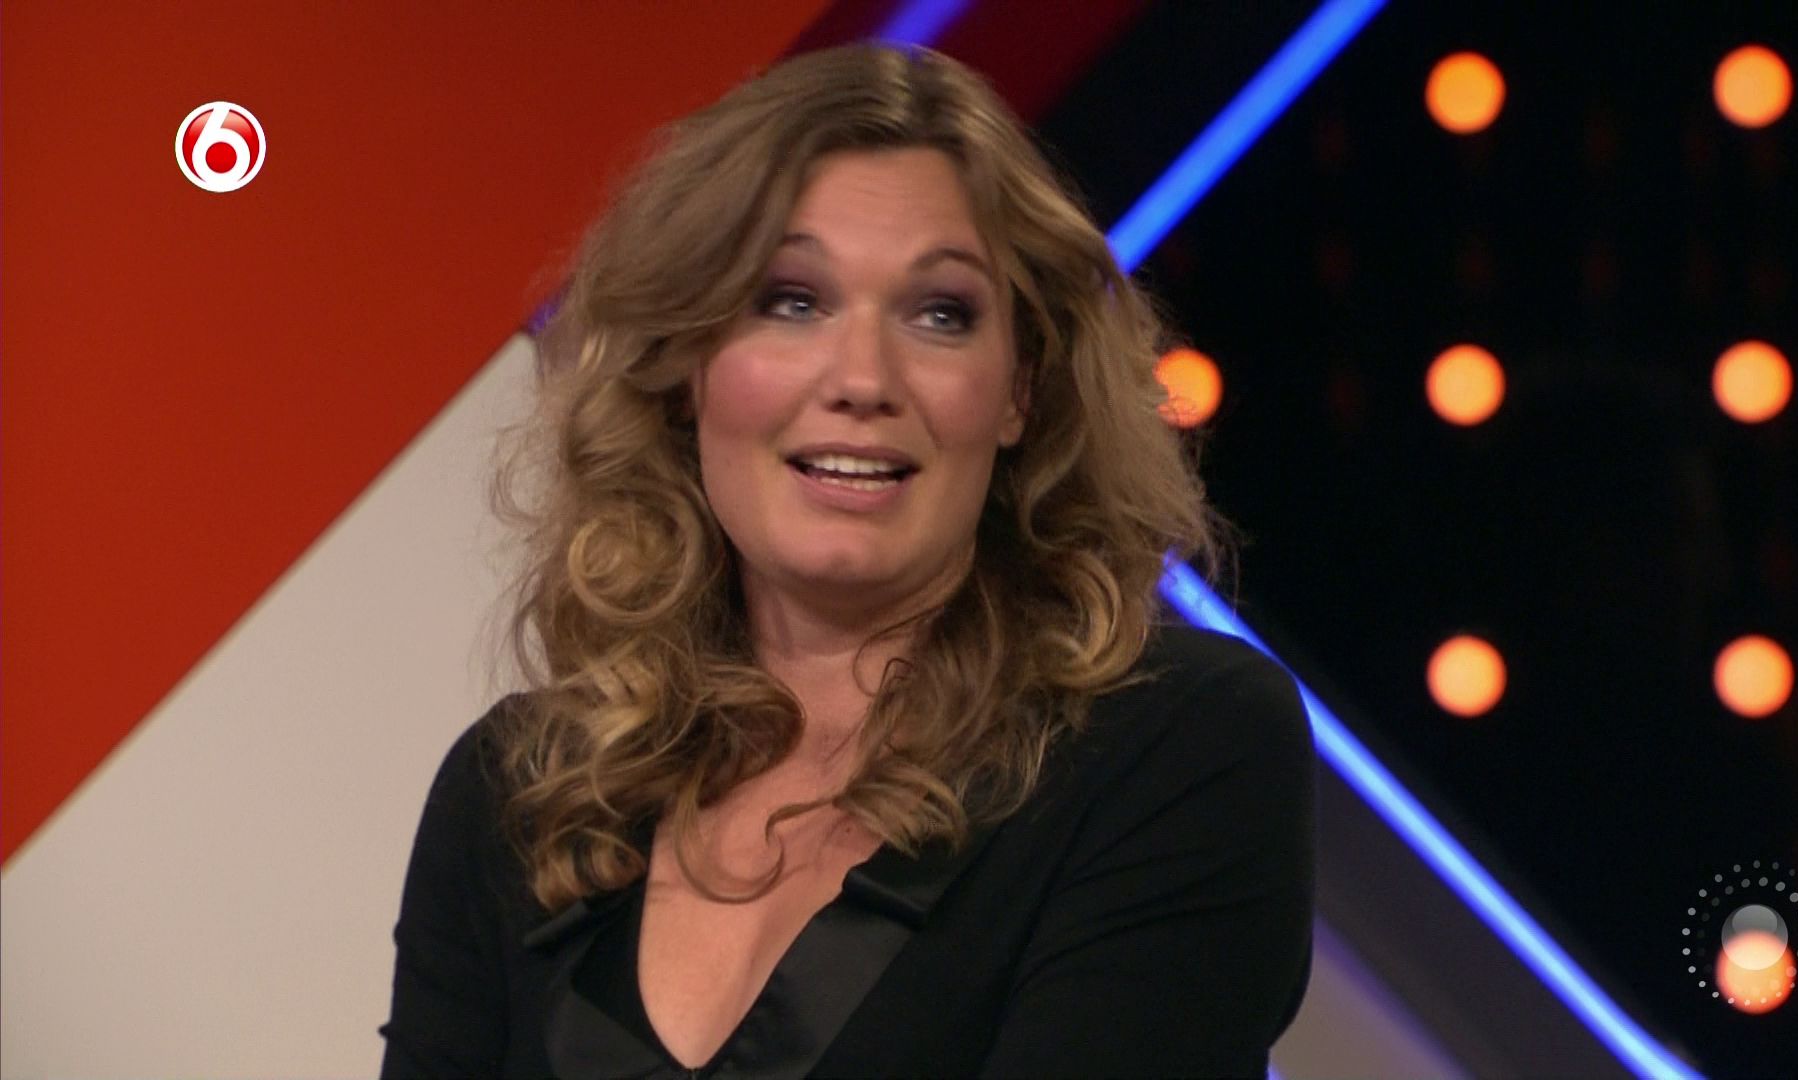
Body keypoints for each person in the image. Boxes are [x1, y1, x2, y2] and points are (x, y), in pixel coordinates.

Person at [380, 42, 1313, 1079]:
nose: (863, 378)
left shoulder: (1178, 745)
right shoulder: (522, 795)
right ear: (687, 365)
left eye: (941, 314)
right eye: (791, 300)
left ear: (1018, 390)